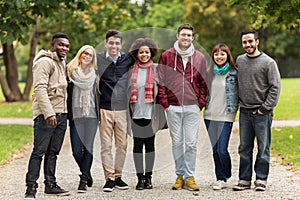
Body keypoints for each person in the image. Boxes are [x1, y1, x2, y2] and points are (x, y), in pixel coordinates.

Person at [158, 23, 207, 191]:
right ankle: (179, 176)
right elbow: (161, 81)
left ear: (192, 38)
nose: (186, 38)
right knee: (177, 142)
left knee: (191, 143)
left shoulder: (199, 57)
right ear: (177, 36)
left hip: (192, 107)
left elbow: (203, 82)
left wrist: (200, 103)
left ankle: (190, 176)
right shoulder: (166, 56)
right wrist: (165, 104)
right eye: (183, 34)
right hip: (173, 107)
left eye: (189, 35)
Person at [233, 30, 281, 192]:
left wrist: (264, 109)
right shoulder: (240, 60)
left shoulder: (268, 62)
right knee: (244, 148)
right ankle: (244, 179)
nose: (247, 45)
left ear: (257, 42)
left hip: (262, 113)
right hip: (245, 112)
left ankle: (261, 179)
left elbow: (275, 87)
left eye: (250, 42)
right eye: (245, 42)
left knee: (263, 147)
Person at [24, 33, 70, 199]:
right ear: (53, 45)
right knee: (39, 152)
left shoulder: (63, 64)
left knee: (53, 152)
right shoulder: (45, 62)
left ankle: (50, 184)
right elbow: (40, 89)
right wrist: (49, 113)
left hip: (62, 114)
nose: (64, 48)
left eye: (66, 46)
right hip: (47, 115)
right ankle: (31, 188)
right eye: (61, 45)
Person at [97, 30, 134, 192]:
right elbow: (78, 64)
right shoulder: (97, 59)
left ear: (121, 45)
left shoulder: (127, 59)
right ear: (106, 44)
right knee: (106, 145)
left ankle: (118, 176)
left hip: (122, 109)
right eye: (111, 43)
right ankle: (109, 178)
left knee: (122, 145)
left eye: (117, 43)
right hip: (104, 108)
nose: (114, 46)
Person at [128, 38, 167, 190]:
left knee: (150, 146)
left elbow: (163, 88)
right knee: (137, 146)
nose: (144, 54)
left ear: (151, 53)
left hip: (151, 114)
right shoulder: (131, 70)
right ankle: (140, 178)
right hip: (136, 114)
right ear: (136, 54)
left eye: (147, 52)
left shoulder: (157, 69)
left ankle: (149, 178)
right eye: (141, 52)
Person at [204, 43, 238, 190]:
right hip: (209, 116)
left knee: (222, 150)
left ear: (227, 55)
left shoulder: (234, 73)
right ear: (213, 56)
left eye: (222, 53)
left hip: (226, 116)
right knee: (215, 149)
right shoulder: (209, 72)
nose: (219, 56)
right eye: (216, 54)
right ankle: (220, 178)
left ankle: (226, 173)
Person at [66, 45, 99, 193]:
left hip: (91, 115)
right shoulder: (71, 72)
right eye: (85, 53)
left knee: (88, 148)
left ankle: (83, 179)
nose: (87, 56)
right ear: (80, 54)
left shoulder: (96, 74)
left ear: (93, 58)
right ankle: (87, 172)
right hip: (76, 115)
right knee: (76, 151)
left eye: (90, 55)